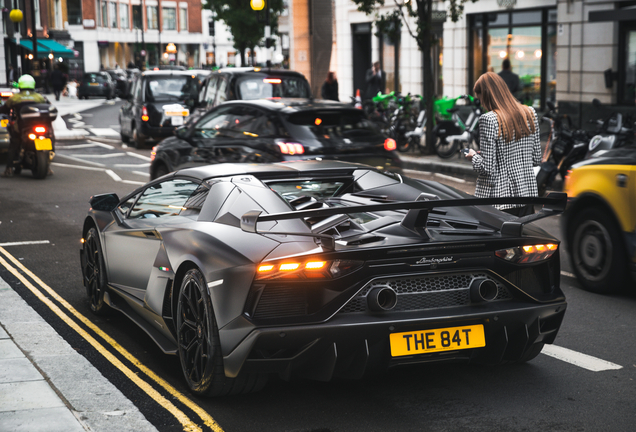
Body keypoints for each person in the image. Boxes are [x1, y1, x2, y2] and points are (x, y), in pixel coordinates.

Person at [464, 72, 541, 217]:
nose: (482, 104)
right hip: (526, 197)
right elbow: (536, 159)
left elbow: (487, 168)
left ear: (487, 96)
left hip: (499, 200)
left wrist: (473, 156)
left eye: (481, 99)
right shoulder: (530, 113)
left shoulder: (488, 119)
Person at [0, 75, 49, 177]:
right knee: (48, 138)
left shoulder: (15, 98)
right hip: (39, 124)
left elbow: (4, 110)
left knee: (14, 143)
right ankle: (48, 167)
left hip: (22, 126)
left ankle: (9, 168)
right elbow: (47, 107)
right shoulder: (39, 97)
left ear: (20, 85)